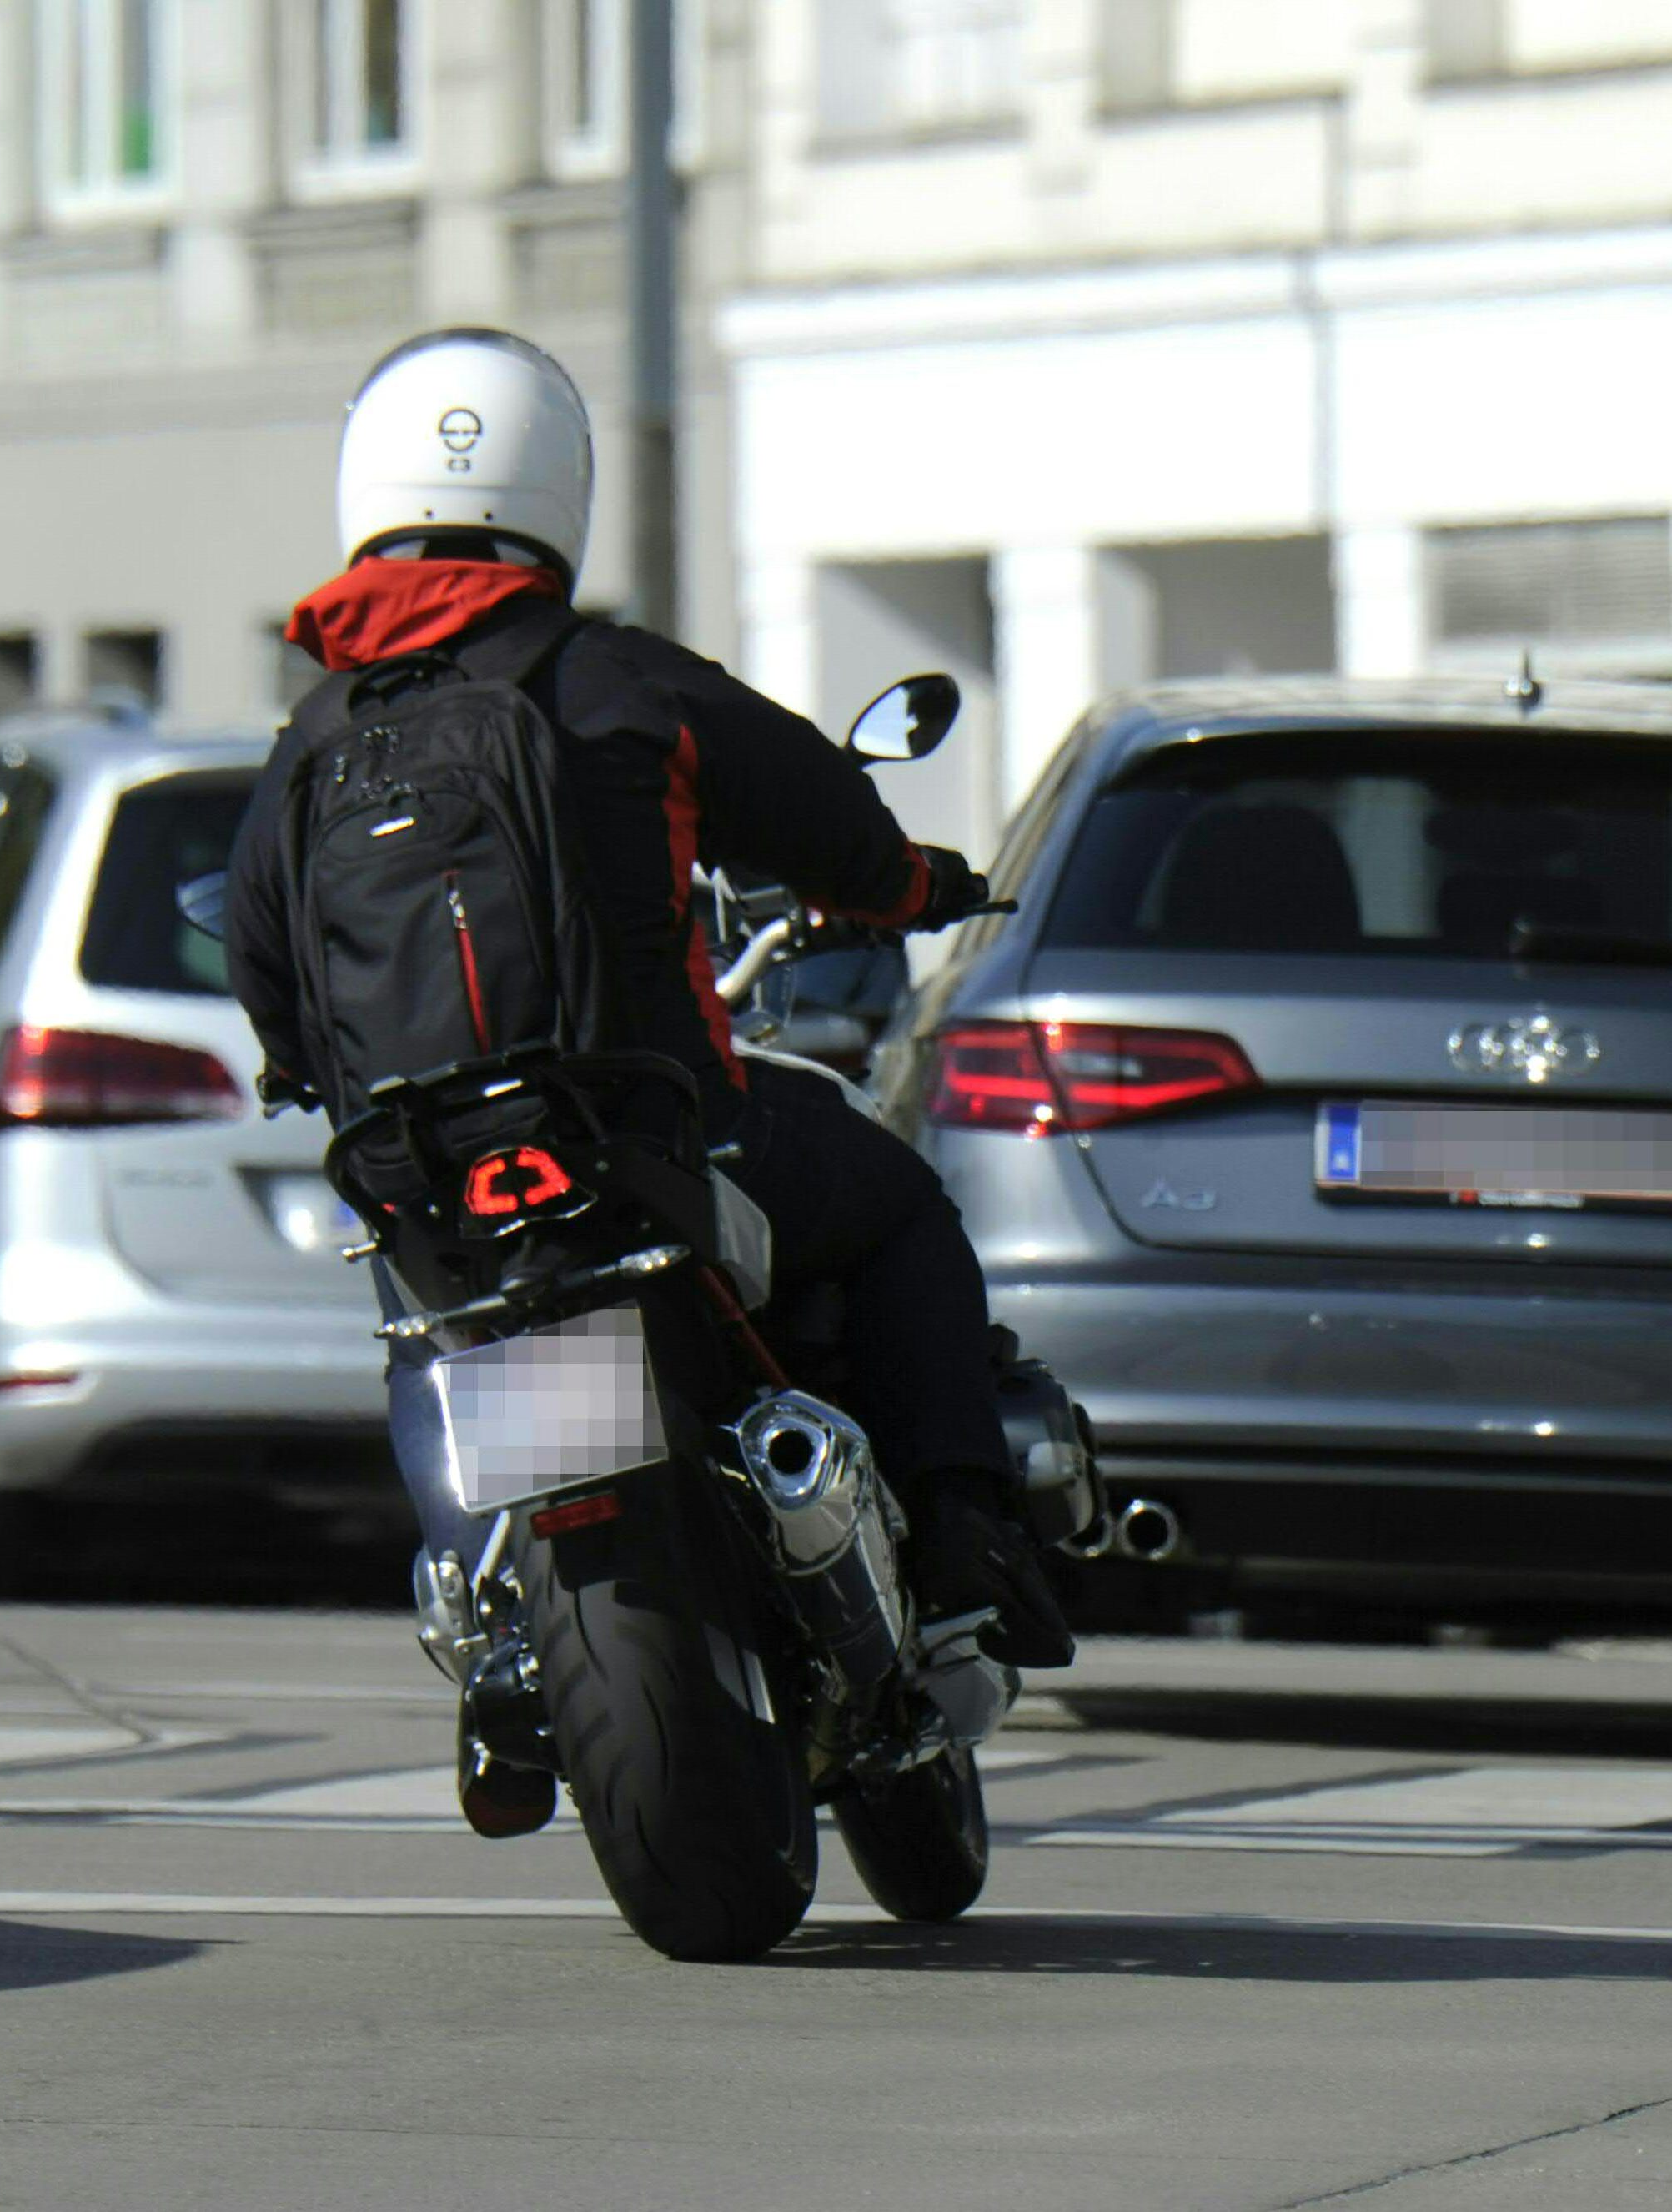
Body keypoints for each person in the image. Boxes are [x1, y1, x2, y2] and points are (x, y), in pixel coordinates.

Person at [225, 328, 1071, 1668]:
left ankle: (484, 1608)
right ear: (559, 486)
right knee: (900, 1207)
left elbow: (261, 962)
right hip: (658, 1130)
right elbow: (829, 823)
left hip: (430, 1170)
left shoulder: (316, 739)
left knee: (427, 1325)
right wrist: (920, 889)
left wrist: (309, 1073)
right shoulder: (617, 681)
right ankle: (966, 1537)